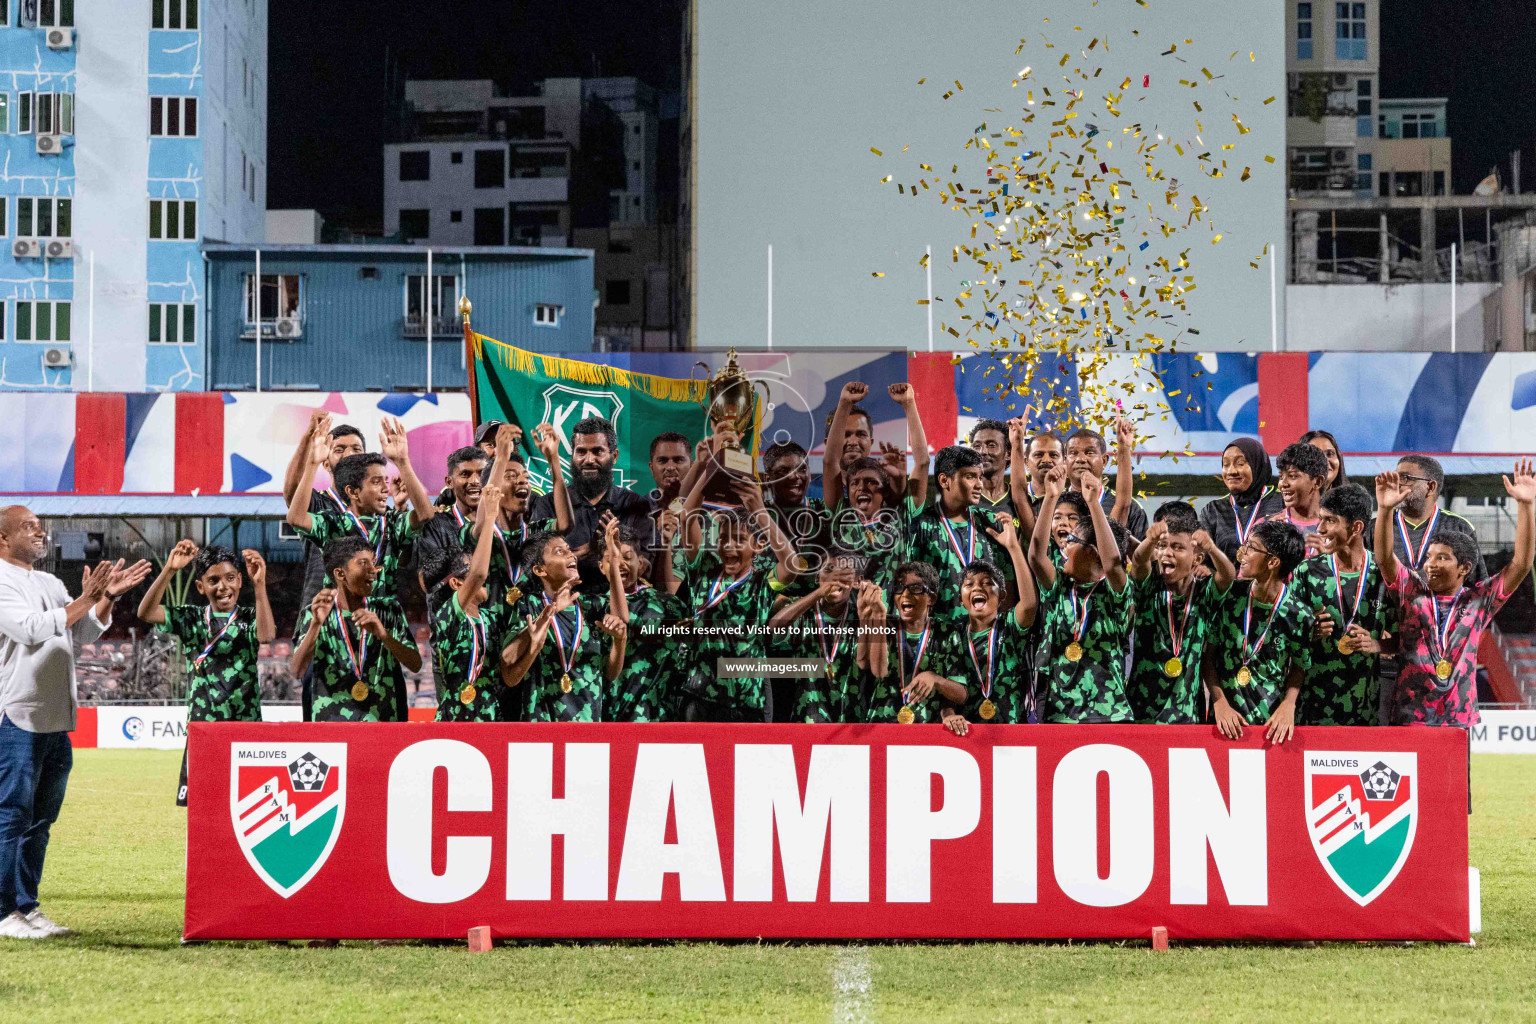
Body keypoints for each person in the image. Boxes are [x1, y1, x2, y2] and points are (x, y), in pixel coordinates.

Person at [0, 507, 150, 939]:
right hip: (16, 716)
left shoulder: (47, 582)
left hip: (56, 720)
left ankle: (26, 906)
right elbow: (31, 629)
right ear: (4, 538)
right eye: (29, 527)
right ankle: (3, 910)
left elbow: (79, 633)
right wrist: (85, 598)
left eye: (39, 526)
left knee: (40, 822)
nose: (40, 532)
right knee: (10, 816)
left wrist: (107, 598)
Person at [287, 418, 435, 720]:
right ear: (354, 491)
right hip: (336, 617)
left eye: (386, 480)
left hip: (381, 617)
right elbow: (296, 517)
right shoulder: (334, 522)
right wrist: (312, 464)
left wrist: (404, 462)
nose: (386, 488)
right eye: (377, 482)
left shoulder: (392, 523)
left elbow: (426, 513)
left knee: (386, 708)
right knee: (326, 697)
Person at [1374, 462, 1534, 729]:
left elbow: (1521, 564)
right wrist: (1385, 508)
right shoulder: (1411, 593)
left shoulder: (1479, 601)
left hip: (1457, 719)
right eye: (1429, 557)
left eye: (1442, 558)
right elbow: (1384, 558)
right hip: (1410, 717)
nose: (1430, 564)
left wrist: (1526, 507)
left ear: (1464, 568)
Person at [138, 542, 275, 805]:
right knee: (203, 806)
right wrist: (168, 569)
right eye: (213, 580)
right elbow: (145, 612)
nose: (223, 586)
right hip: (204, 729)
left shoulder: (249, 617)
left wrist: (260, 585)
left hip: (246, 728)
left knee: (248, 804)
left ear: (239, 581)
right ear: (201, 587)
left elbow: (267, 635)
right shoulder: (191, 619)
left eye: (230, 578)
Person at [676, 450, 801, 722]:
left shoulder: (763, 581)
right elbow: (687, 517)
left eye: (739, 539)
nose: (729, 547)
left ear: (758, 545)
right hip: (699, 698)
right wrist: (710, 470)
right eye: (723, 539)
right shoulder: (704, 570)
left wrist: (759, 511)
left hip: (746, 702)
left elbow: (791, 565)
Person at [1028, 465, 1134, 723]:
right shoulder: (1059, 586)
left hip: (1109, 716)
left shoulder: (1115, 593)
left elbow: (1112, 563)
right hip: (1058, 716)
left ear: (1091, 553)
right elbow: (1036, 555)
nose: (1064, 544)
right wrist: (1051, 497)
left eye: (1072, 541)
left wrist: (1093, 503)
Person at [280, 412, 367, 721]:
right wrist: (308, 443)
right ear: (327, 460)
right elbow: (291, 495)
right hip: (321, 617)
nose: (348, 454)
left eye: (356, 448)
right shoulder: (318, 502)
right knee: (319, 718)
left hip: (366, 621)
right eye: (339, 448)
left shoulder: (379, 508)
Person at [500, 525, 628, 722]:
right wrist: (549, 614)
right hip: (541, 729)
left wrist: (620, 641)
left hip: (587, 727)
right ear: (539, 569)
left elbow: (610, 672)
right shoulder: (529, 605)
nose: (571, 555)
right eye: (560, 551)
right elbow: (508, 661)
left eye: (570, 549)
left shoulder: (591, 606)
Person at [291, 537, 424, 722]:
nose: (373, 571)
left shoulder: (389, 610)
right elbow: (297, 670)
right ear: (340, 573)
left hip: (381, 723)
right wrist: (315, 625)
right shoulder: (314, 613)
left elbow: (415, 664)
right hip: (331, 725)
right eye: (363, 563)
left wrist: (384, 635)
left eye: (373, 563)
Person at [1291, 483, 1389, 726]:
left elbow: (1406, 640)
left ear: (1356, 527)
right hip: (1311, 712)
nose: (1320, 528)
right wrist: (1307, 633)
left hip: (1365, 713)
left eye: (1330, 520)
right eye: (1321, 519)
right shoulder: (1307, 572)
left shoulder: (1383, 577)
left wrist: (1376, 644)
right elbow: (1282, 637)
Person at [1208, 520, 1312, 743]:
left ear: (1273, 562)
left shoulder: (1299, 613)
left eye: (1251, 547)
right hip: (1224, 720)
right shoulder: (1230, 596)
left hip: (1269, 725)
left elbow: (1299, 666)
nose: (1241, 553)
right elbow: (1207, 656)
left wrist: (1288, 704)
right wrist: (1219, 703)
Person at [1126, 515, 1235, 724]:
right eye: (1162, 546)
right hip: (1142, 714)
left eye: (1177, 547)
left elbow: (1228, 575)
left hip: (1187, 716)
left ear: (1197, 559)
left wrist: (1211, 548)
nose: (1167, 552)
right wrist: (1149, 541)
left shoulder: (1204, 592)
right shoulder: (1149, 586)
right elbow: (1139, 560)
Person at [530, 416, 656, 595]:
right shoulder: (548, 504)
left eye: (598, 451)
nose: (589, 459)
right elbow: (539, 565)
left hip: (622, 611)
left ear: (614, 456)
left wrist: (600, 552)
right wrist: (593, 551)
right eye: (581, 452)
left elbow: (646, 568)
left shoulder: (636, 505)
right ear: (572, 456)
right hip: (566, 609)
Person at [936, 518, 1037, 735]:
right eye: (969, 584)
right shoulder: (953, 635)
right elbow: (949, 689)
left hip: (1012, 733)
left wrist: (1013, 548)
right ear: (961, 598)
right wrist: (948, 715)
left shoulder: (1010, 626)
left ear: (1002, 595)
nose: (977, 588)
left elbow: (1029, 604)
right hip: (969, 734)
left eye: (987, 583)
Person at [426, 483, 510, 722]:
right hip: (454, 720)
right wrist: (491, 516)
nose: (483, 574)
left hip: (491, 719)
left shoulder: (491, 619)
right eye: (470, 570)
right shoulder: (448, 614)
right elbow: (480, 574)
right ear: (455, 584)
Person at [903, 445, 1016, 619]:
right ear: (944, 481)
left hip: (983, 637)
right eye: (970, 476)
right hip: (937, 638)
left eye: (980, 477)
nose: (979, 484)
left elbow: (1007, 587)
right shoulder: (922, 526)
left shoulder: (992, 523)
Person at [602, 522, 687, 722]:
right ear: (600, 567)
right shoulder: (593, 607)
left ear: (641, 564)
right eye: (611, 559)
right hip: (608, 712)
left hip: (659, 713)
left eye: (627, 557)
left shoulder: (669, 605)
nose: (620, 563)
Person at [863, 561, 966, 724]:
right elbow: (873, 671)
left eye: (916, 588)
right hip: (881, 728)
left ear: (931, 598)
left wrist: (935, 679)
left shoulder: (945, 633)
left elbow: (960, 694)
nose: (905, 594)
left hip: (925, 733)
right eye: (899, 588)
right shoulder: (882, 625)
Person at [769, 557, 865, 724]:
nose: (835, 579)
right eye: (828, 571)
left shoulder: (862, 616)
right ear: (817, 578)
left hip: (851, 723)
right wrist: (818, 593)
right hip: (806, 720)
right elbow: (773, 628)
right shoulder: (802, 610)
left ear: (857, 581)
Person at [1388, 454, 1487, 582]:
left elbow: (1478, 586)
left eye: (1405, 478)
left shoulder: (1459, 527)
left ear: (1430, 487)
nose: (1397, 484)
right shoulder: (1375, 527)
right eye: (1395, 477)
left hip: (1442, 602)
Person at [414, 445, 487, 601]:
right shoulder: (436, 525)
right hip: (454, 619)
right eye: (465, 474)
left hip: (494, 620)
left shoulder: (500, 524)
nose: (475, 481)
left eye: (481, 474)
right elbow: (427, 582)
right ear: (449, 482)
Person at [1199, 437, 1286, 564]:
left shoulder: (1282, 501)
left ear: (1258, 465)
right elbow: (1205, 560)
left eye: (1240, 463)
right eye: (1226, 464)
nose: (1231, 471)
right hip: (1228, 583)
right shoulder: (1213, 510)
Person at [1063, 423, 1147, 541]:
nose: (1081, 459)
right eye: (1073, 453)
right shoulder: (1053, 503)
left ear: (1104, 460)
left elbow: (1142, 556)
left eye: (1089, 452)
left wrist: (1124, 447)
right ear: (1064, 461)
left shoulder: (1133, 508)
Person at [1269, 441, 1330, 555]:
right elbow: (1246, 572)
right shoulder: (1268, 526)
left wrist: (1328, 561)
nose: (1283, 483)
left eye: (1292, 476)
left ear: (1317, 482)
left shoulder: (1338, 529)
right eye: (1281, 476)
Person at [967, 419, 1016, 524]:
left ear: (1008, 453)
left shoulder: (1019, 499)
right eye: (977, 446)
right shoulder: (963, 499)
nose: (982, 452)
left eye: (991, 445)